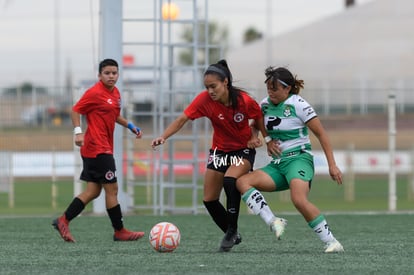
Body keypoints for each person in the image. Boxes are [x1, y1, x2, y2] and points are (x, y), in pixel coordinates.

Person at [151, 59, 267, 252]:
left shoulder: (244, 101)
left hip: (242, 150)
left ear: (225, 83)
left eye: (213, 86)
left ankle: (231, 231)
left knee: (231, 181)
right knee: (209, 199)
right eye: (207, 87)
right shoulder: (204, 100)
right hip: (220, 151)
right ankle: (233, 233)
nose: (210, 91)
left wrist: (259, 136)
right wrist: (163, 137)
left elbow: (258, 116)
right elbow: (182, 119)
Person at [236, 66, 344, 253]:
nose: (270, 92)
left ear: (287, 89)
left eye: (274, 88)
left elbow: (322, 135)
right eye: (268, 88)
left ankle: (332, 242)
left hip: (299, 160)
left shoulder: (299, 105)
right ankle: (273, 221)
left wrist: (332, 166)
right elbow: (256, 123)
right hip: (277, 164)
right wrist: (258, 138)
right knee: (243, 182)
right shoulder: (265, 104)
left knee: (298, 200)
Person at [52, 58, 145, 242]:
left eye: (114, 73)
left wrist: (130, 125)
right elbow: (75, 110)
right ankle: (120, 231)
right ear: (99, 75)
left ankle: (63, 220)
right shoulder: (94, 92)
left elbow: (114, 115)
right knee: (113, 189)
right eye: (107, 73)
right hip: (97, 148)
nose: (111, 76)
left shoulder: (116, 93)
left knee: (93, 191)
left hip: (99, 148)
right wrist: (78, 133)